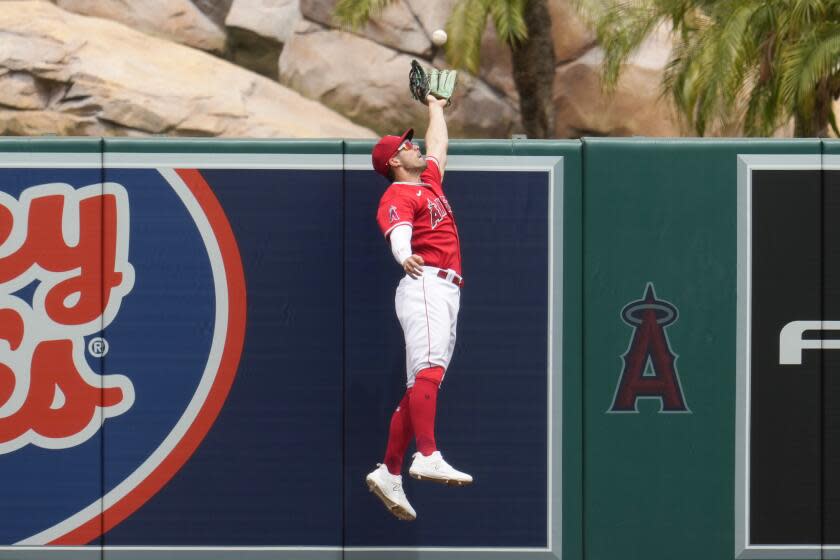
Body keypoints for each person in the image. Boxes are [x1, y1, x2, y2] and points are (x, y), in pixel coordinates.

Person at [364, 95, 473, 522]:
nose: (414, 146)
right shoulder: (398, 193)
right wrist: (404, 255)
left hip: (446, 289)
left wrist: (436, 107)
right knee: (427, 371)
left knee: (425, 382)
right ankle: (426, 454)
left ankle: (390, 471)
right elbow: (398, 231)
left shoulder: (428, 181)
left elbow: (439, 145)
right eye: (405, 145)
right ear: (393, 160)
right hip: (423, 281)